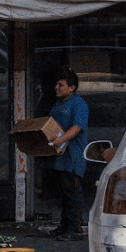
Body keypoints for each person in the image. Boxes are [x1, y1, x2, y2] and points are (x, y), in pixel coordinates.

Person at [48, 70, 90, 239]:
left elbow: (77, 127)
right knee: (64, 192)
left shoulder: (79, 104)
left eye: (61, 85)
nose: (56, 87)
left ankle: (75, 229)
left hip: (73, 156)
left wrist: (61, 140)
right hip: (60, 157)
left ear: (72, 87)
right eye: (56, 84)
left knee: (73, 192)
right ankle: (64, 226)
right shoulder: (58, 105)